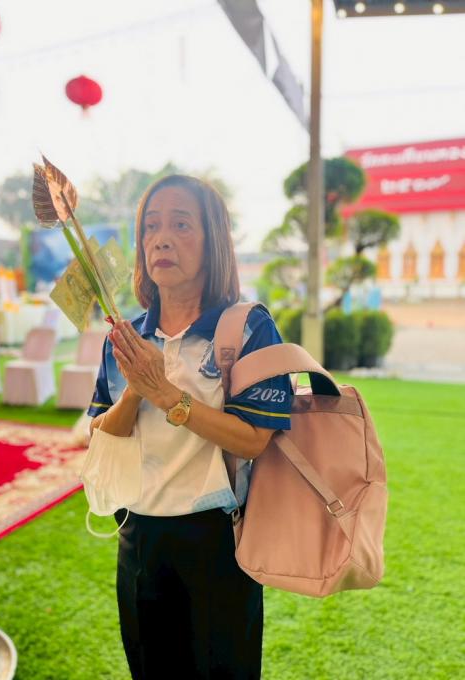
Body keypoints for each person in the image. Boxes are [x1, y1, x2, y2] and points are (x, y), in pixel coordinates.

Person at [87, 174, 292, 680]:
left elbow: (254, 439)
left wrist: (166, 395)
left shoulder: (247, 328)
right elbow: (101, 437)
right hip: (138, 538)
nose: (161, 239)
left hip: (217, 541)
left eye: (181, 225)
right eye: (151, 227)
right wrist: (136, 388)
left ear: (213, 240)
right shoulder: (126, 336)